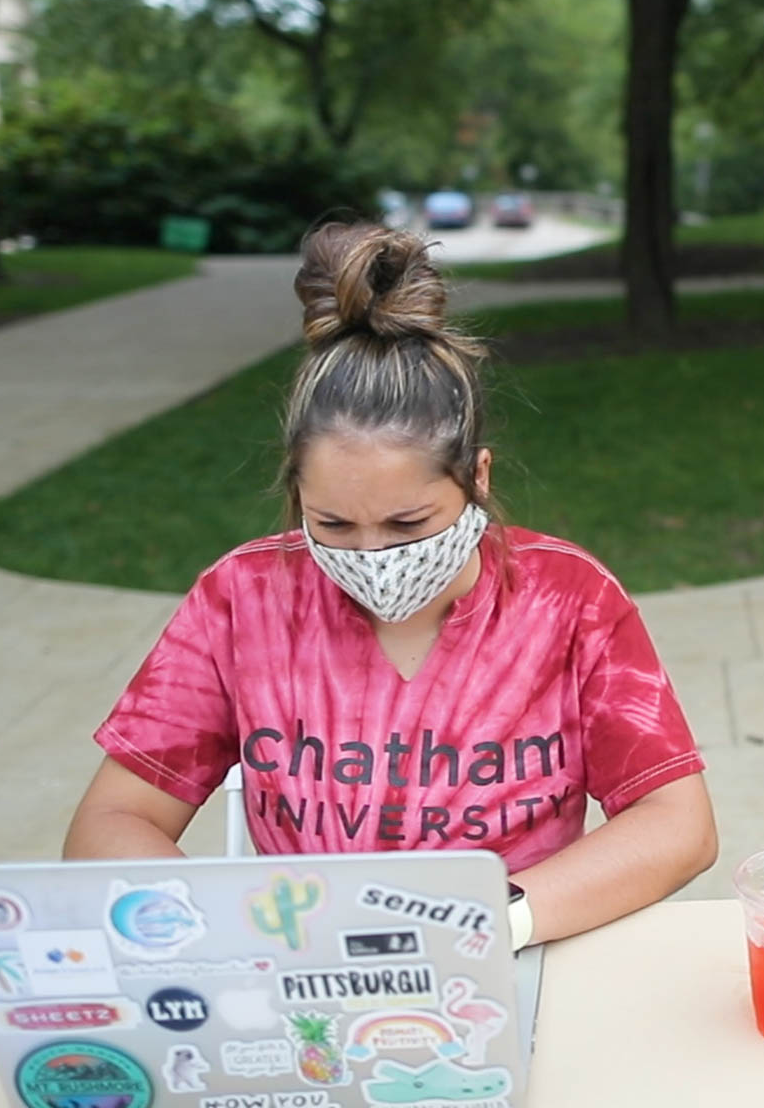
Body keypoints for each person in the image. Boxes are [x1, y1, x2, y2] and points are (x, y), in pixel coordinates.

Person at [64, 222, 718, 947]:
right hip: (302, 981)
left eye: (408, 524)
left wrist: (493, 922)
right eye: (334, 525)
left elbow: (677, 823)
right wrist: (233, 930)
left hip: (508, 968)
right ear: (296, 497)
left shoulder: (569, 599)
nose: (373, 555)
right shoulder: (241, 600)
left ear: (478, 477)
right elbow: (111, 823)